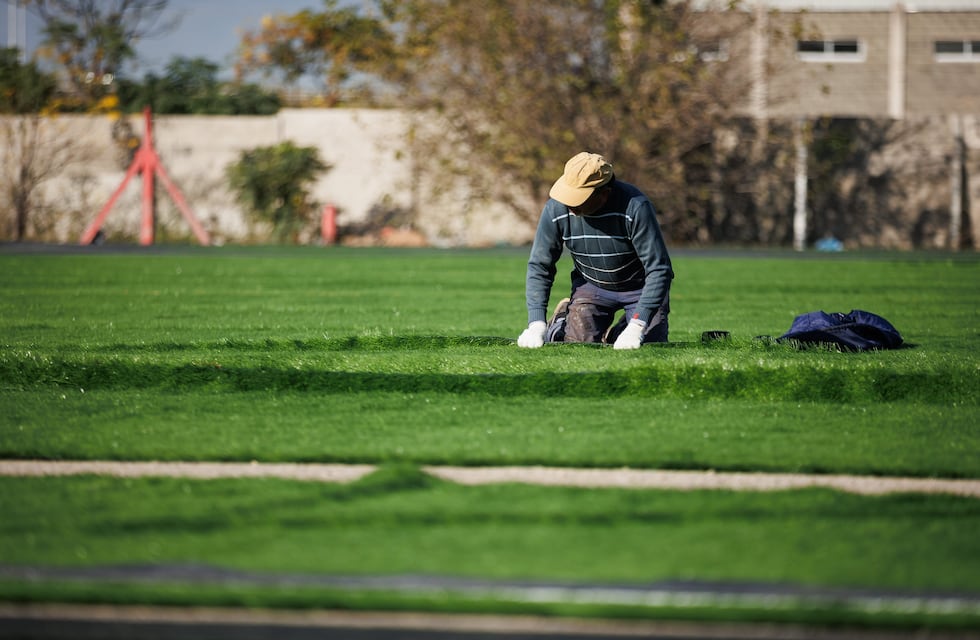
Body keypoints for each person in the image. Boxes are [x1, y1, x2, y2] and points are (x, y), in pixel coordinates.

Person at [517, 151, 673, 350]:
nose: (570, 205)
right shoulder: (555, 210)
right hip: (591, 286)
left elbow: (659, 270)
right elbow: (540, 266)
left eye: (579, 198)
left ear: (604, 193)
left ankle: (619, 333)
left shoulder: (636, 207)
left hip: (639, 288)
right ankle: (558, 324)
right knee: (578, 346)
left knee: (650, 344)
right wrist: (536, 323)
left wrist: (637, 326)